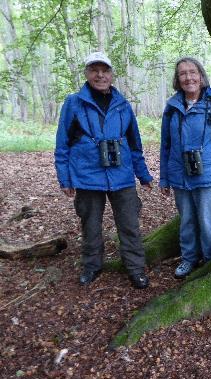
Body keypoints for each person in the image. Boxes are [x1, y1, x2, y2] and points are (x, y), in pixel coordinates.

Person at [54, 51, 153, 289]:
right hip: (87, 176)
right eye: (94, 70)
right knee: (90, 225)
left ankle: (135, 268)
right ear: (87, 73)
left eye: (105, 70)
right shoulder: (73, 103)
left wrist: (143, 174)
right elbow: (62, 143)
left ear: (112, 73)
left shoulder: (123, 105)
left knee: (129, 224)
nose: (100, 75)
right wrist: (64, 178)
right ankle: (91, 266)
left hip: (122, 176)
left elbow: (134, 143)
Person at [159, 57, 211, 278]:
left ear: (201, 76)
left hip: (210, 177)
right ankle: (188, 259)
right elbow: (166, 145)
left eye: (192, 72)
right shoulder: (172, 107)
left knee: (207, 223)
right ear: (178, 79)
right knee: (186, 222)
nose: (188, 78)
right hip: (180, 177)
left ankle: (209, 261)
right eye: (183, 74)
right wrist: (164, 178)